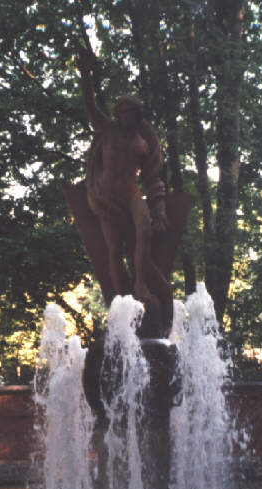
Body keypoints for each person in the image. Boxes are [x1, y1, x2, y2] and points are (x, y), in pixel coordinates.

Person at [77, 50, 172, 333]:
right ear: (119, 114)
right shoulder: (107, 130)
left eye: (136, 113)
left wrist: (161, 212)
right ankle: (120, 297)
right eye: (127, 112)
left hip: (131, 193)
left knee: (143, 228)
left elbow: (154, 180)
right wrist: (85, 76)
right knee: (113, 248)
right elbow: (90, 105)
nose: (132, 117)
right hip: (106, 196)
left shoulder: (143, 143)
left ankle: (141, 283)